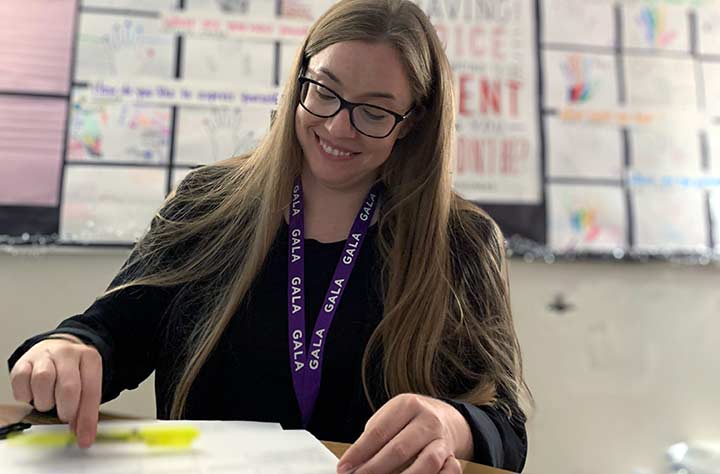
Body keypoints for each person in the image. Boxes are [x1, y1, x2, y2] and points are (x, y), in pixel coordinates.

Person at [7, 1, 531, 472]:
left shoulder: (459, 239)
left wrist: (452, 424)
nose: (338, 126)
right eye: (324, 91)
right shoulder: (208, 202)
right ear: (300, 80)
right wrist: (67, 348)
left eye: (373, 111)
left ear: (411, 121)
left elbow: (506, 430)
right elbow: (112, 334)